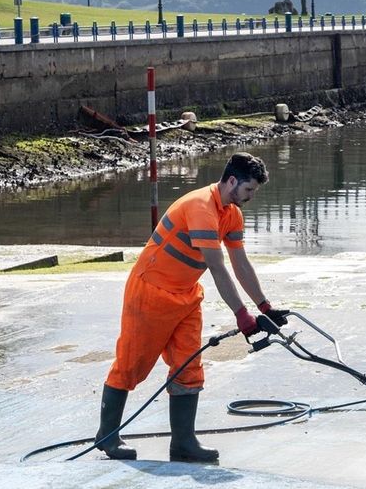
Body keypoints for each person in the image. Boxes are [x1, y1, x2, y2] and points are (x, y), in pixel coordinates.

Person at [94, 152, 288, 462]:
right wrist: (241, 314)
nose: (251, 197)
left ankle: (183, 444)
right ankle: (107, 437)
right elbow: (217, 266)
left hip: (185, 296)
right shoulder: (200, 207)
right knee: (131, 365)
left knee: (188, 366)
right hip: (151, 292)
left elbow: (240, 263)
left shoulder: (231, 213)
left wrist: (264, 307)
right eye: (249, 190)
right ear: (232, 181)